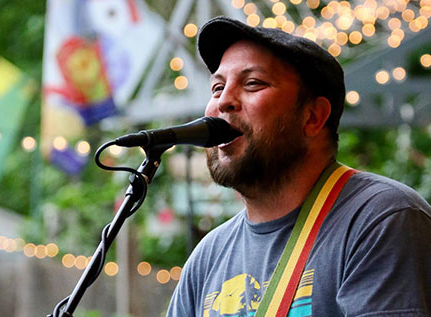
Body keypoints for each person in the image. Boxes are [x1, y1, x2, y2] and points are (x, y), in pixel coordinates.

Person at [166, 16, 431, 317]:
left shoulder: (380, 218)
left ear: (313, 117)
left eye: (253, 83)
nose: (223, 101)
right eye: (216, 88)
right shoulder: (208, 256)